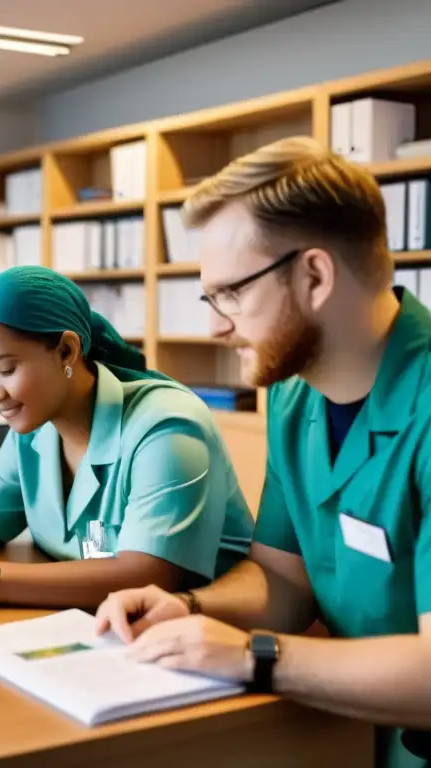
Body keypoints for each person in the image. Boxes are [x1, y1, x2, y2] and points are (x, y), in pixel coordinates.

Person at [93, 136, 431, 768]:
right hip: (346, 734)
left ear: (314, 276)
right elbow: (284, 579)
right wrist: (191, 608)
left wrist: (254, 656)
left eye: (232, 293)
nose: (215, 325)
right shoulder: (292, 398)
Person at [0, 265, 255, 607]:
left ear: (67, 352)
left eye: (7, 369)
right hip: (99, 626)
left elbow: (148, 574)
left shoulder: (167, 428)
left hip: (209, 639)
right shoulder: (34, 432)